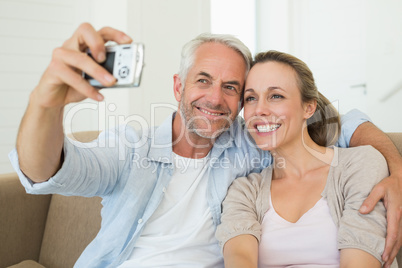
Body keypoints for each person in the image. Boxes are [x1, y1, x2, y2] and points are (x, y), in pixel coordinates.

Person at [8, 23, 401, 267]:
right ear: (178, 85)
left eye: (232, 88)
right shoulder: (131, 147)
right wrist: (46, 103)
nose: (215, 98)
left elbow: (342, 123)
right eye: (203, 80)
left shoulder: (252, 143)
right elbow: (47, 171)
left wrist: (396, 172)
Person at [216, 50, 398, 268]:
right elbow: (239, 260)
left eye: (276, 96)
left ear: (308, 107)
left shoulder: (358, 165)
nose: (260, 110)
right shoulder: (245, 190)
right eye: (251, 98)